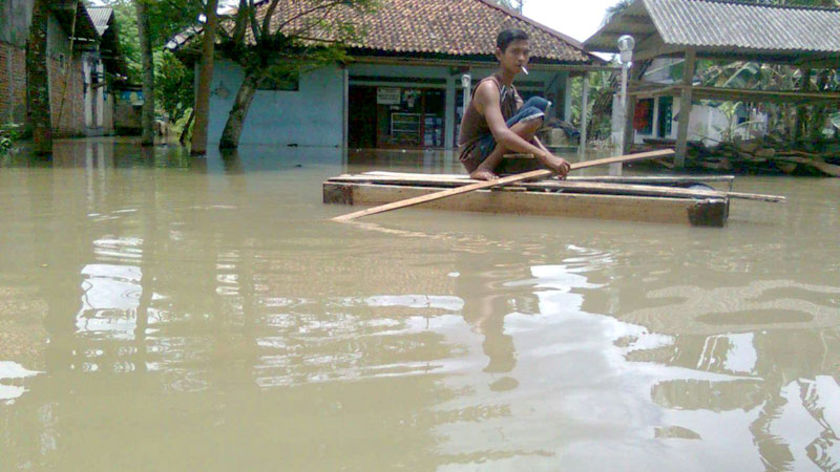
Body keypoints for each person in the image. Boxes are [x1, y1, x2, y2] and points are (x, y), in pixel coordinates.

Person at [458, 29, 571, 180]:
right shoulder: (489, 88)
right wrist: (544, 156)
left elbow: (525, 130)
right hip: (475, 155)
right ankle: (485, 167)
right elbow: (502, 134)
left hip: (494, 148)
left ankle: (495, 165)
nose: (521, 58)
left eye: (525, 53)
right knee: (533, 113)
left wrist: (550, 158)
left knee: (539, 105)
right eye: (515, 52)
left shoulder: (511, 91)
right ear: (499, 54)